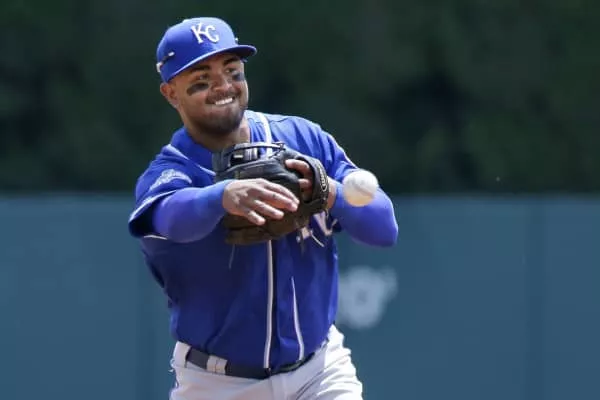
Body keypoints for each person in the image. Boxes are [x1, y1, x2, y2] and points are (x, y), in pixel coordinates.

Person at [127, 16, 399, 400]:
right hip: (217, 384)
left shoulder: (302, 139)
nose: (223, 86)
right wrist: (221, 197)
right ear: (171, 93)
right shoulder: (173, 171)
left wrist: (332, 192)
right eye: (201, 79)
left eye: (232, 71)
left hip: (319, 372)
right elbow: (171, 217)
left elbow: (384, 229)